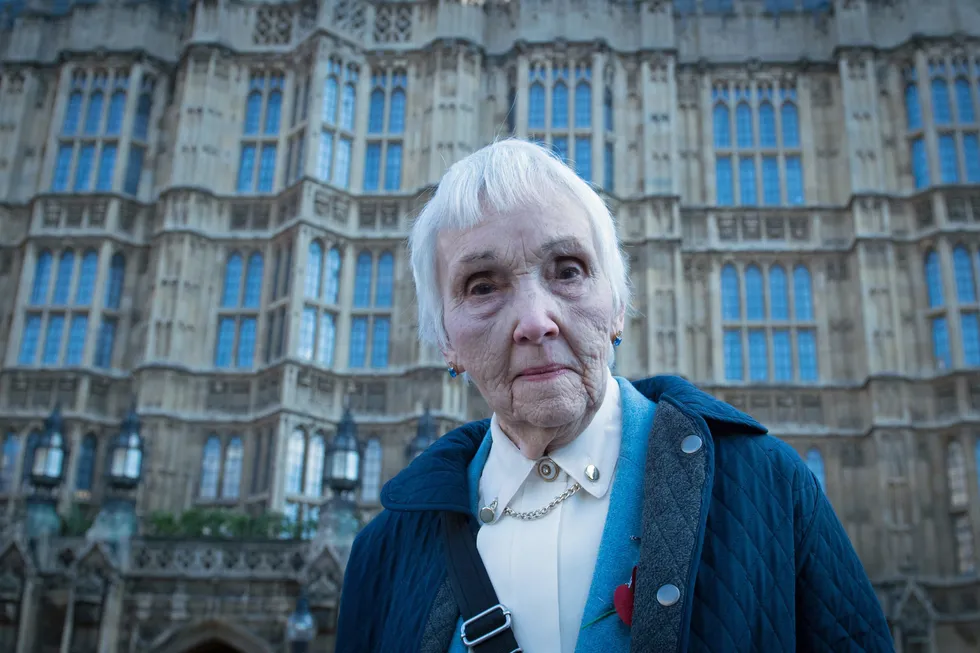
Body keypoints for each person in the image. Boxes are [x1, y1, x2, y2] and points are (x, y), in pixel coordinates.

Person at [335, 139, 894, 653]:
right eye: (483, 286)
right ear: (444, 342)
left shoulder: (766, 484)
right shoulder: (383, 554)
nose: (535, 321)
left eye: (568, 271)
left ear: (618, 307)